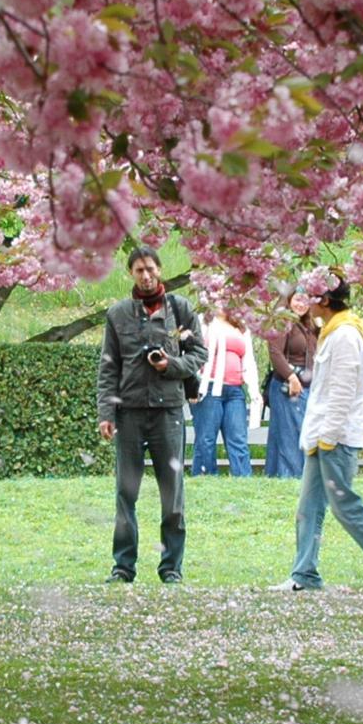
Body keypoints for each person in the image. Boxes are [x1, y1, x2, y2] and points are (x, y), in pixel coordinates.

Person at [281, 273, 363, 591]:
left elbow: (343, 390)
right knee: (308, 507)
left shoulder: (345, 335)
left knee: (345, 505)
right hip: (322, 436)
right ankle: (304, 574)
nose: (305, 301)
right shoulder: (330, 331)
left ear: (325, 301)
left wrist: (328, 436)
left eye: (310, 295)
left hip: (335, 438)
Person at [96, 247, 205, 583]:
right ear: (131, 273)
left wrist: (170, 365)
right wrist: (106, 412)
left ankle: (171, 567)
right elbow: (108, 367)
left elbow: (199, 353)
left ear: (160, 270)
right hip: (128, 414)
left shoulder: (181, 309)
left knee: (172, 494)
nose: (145, 275)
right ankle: (123, 566)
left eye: (151, 269)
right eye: (139, 270)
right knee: (125, 493)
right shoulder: (118, 314)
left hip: (168, 413)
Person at [189, 298, 257, 477]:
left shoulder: (240, 327)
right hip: (208, 388)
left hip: (235, 390)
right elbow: (191, 353)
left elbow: (248, 359)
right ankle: (205, 478)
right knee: (206, 439)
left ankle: (243, 479)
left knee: (238, 439)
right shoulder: (203, 322)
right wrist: (191, 385)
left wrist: (254, 391)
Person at [263, 291, 318, 480]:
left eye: (305, 300)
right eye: (297, 299)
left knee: (296, 433)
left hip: (307, 388)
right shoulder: (283, 322)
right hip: (288, 388)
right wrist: (291, 377)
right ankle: (292, 478)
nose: (301, 304)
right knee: (291, 435)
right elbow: (274, 351)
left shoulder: (309, 325)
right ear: (289, 300)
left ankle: (279, 477)